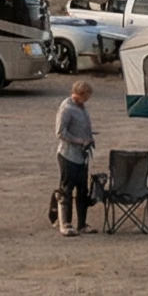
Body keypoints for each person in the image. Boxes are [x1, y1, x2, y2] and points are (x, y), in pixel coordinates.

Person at [54, 79, 96, 235]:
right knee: (66, 189)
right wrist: (79, 141)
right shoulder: (66, 109)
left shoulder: (82, 108)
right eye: (86, 96)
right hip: (68, 155)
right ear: (79, 94)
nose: (87, 100)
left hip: (82, 156)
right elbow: (60, 132)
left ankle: (82, 224)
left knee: (82, 189)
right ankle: (65, 223)